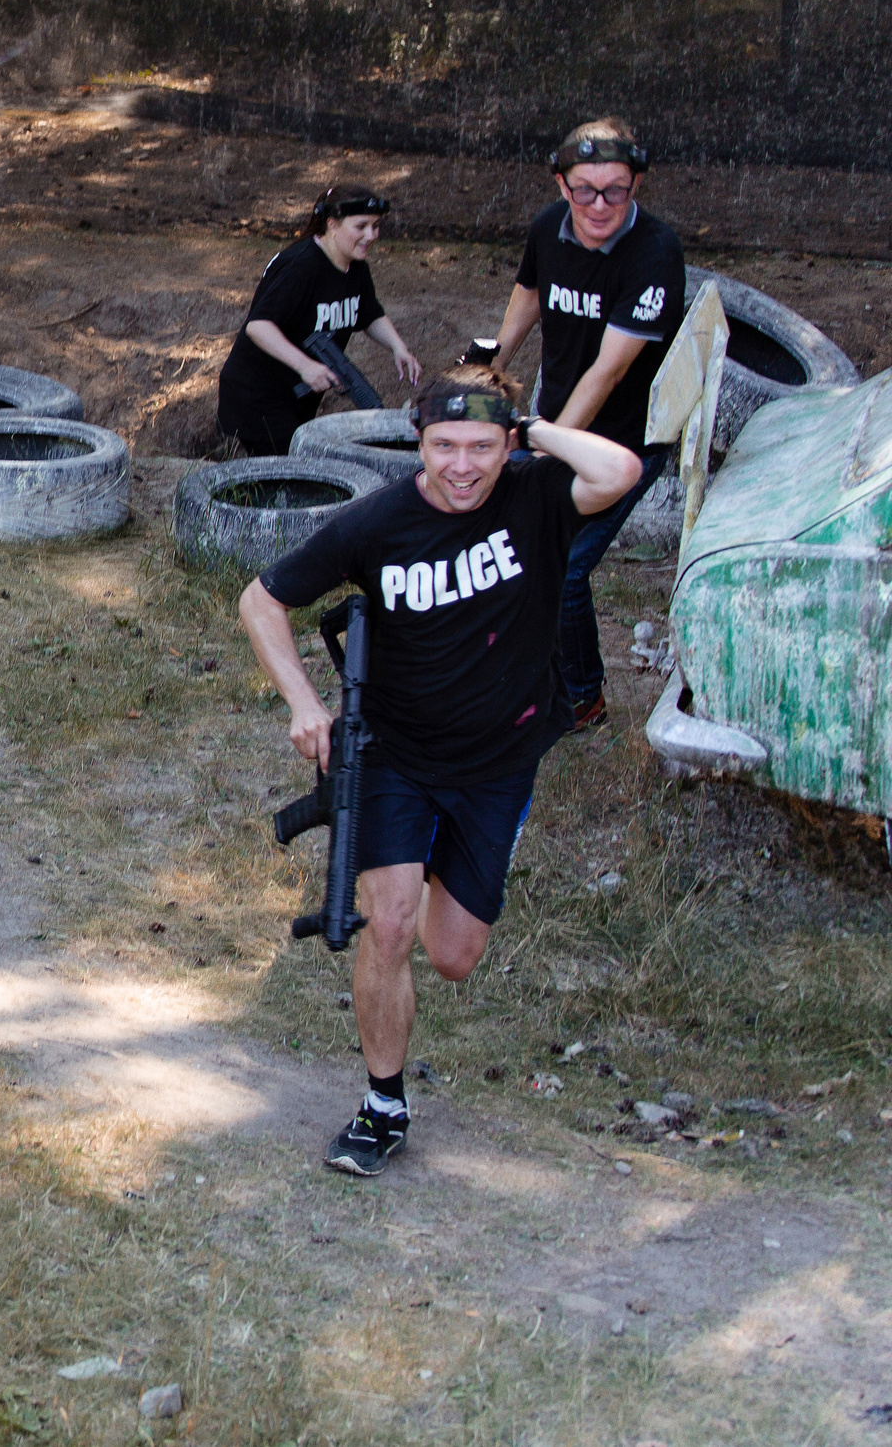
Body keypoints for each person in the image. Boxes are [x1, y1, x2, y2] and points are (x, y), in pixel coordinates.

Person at [238, 372, 640, 1176]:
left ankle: (419, 870)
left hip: (500, 759)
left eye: (482, 446)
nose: (462, 465)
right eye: (444, 445)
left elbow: (620, 471)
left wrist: (532, 427)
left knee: (453, 954)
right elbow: (261, 600)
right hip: (397, 752)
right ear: (418, 445)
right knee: (388, 925)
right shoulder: (378, 524)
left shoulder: (538, 498)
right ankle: (382, 1106)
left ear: (508, 446)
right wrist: (304, 705)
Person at [487, 118, 685, 733]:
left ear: (637, 184)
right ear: (560, 184)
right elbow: (528, 295)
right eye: (584, 190)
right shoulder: (548, 227)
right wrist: (486, 375)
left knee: (566, 567)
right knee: (511, 548)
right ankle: (519, 674)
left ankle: (582, 698)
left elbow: (608, 371)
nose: (599, 205)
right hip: (554, 416)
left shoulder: (655, 251)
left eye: (615, 190)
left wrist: (545, 445)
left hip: (626, 440)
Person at [216, 187, 425, 456]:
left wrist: (398, 347)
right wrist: (305, 366)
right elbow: (258, 326)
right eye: (361, 226)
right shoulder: (301, 266)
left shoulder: (355, 265)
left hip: (297, 400)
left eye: (375, 226)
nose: (371, 235)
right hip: (257, 399)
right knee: (293, 471)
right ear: (332, 224)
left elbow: (369, 313)